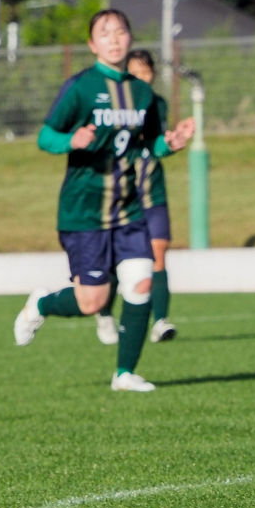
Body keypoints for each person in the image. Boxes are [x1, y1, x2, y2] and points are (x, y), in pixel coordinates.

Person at [13, 10, 194, 392]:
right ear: (92, 44)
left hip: (128, 208)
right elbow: (46, 136)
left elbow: (148, 145)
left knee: (141, 283)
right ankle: (41, 304)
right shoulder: (80, 87)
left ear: (130, 39)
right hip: (84, 211)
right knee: (93, 302)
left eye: (121, 31)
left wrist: (170, 143)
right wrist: (71, 140)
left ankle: (124, 374)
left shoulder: (142, 93)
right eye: (105, 33)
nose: (114, 38)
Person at [92, 48, 178, 345]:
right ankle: (104, 312)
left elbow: (154, 142)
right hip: (121, 196)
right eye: (135, 72)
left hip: (153, 192)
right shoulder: (111, 105)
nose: (142, 78)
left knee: (158, 254)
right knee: (119, 261)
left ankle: (161, 321)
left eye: (146, 72)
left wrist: (172, 141)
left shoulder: (157, 104)